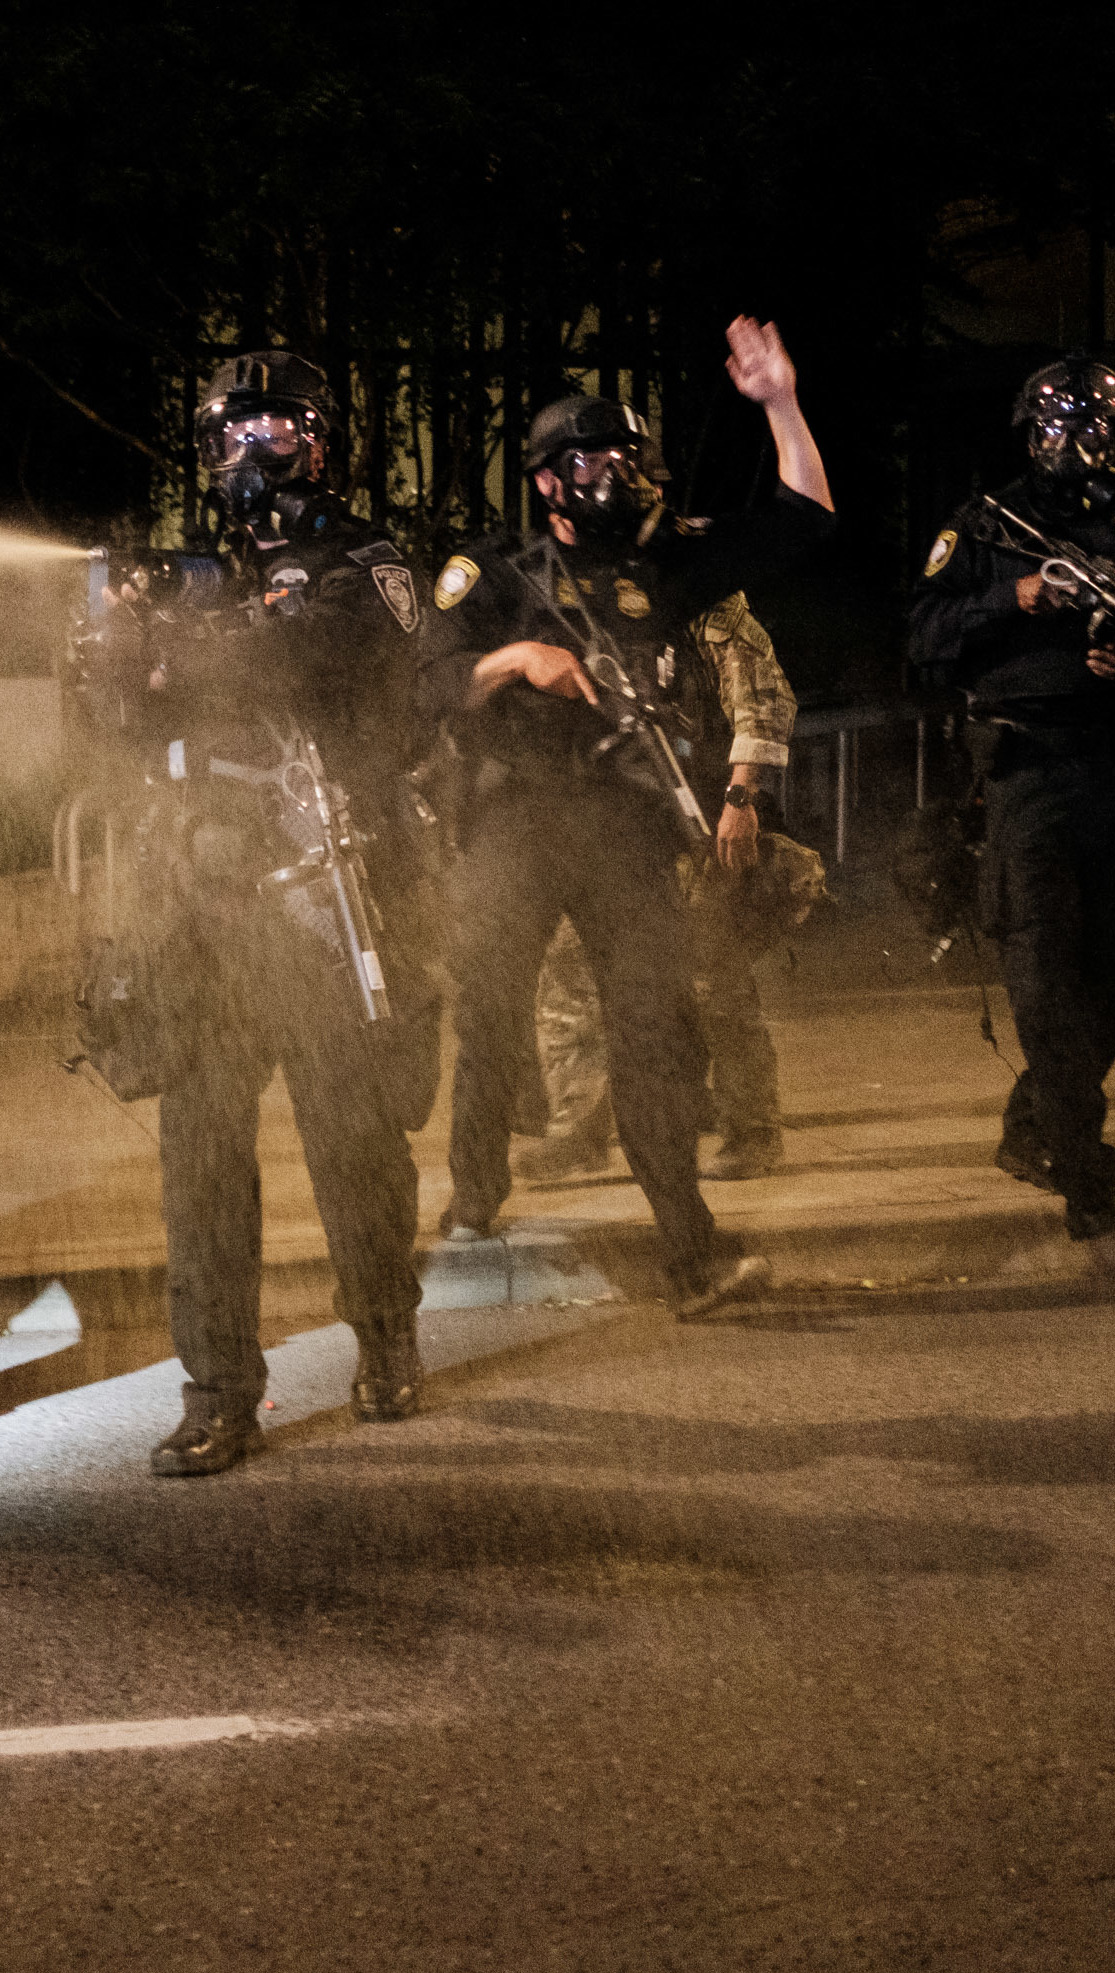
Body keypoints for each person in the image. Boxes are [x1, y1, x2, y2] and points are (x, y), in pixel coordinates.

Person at [74, 350, 441, 1477]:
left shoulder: (364, 561)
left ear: (320, 442)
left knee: (350, 1135)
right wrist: (113, 655)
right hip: (198, 902)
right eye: (230, 433)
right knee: (199, 1152)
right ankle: (219, 1390)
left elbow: (313, 662)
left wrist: (179, 639)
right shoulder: (196, 584)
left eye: (274, 430)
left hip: (315, 896)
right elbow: (122, 730)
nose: (250, 451)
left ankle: (384, 1340)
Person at [424, 317, 832, 1313]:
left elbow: (803, 517)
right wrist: (512, 661)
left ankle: (691, 1256)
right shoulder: (496, 575)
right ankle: (474, 1200)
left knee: (651, 1035)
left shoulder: (666, 564)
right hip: (512, 828)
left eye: (627, 455)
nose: (614, 473)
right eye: (590, 459)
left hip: (625, 829)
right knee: (490, 1023)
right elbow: (417, 683)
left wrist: (778, 400)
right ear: (549, 480)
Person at [907, 355, 1115, 1239]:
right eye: (1055, 427)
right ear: (1028, 432)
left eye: (1093, 428)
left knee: (1112, 975)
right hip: (1026, 775)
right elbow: (924, 635)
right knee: (1041, 982)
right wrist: (1019, 596)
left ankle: (1033, 1128)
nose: (1074, 445)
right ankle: (1083, 1166)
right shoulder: (984, 525)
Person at [516, 590, 816, 1185]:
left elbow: (763, 699)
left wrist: (741, 798)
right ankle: (580, 1132)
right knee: (571, 981)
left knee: (712, 977)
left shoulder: (693, 592)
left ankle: (751, 1128)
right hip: (593, 819)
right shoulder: (552, 593)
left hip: (688, 815)